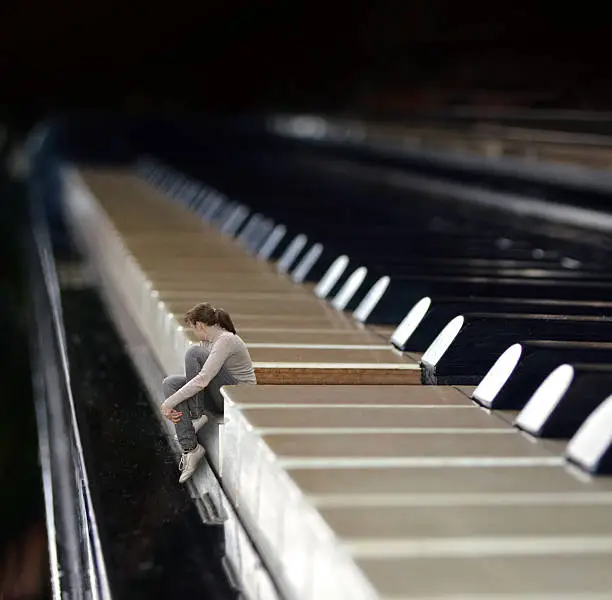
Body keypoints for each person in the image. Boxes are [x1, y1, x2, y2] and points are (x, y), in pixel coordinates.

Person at [160, 302, 256, 483]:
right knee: (170, 383)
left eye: (194, 329)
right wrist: (172, 399)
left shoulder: (226, 340)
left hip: (236, 396)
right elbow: (198, 379)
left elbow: (203, 379)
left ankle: (197, 415)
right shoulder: (209, 343)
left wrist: (169, 403)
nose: (196, 334)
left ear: (200, 325)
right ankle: (191, 449)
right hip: (220, 393)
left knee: (193, 353)